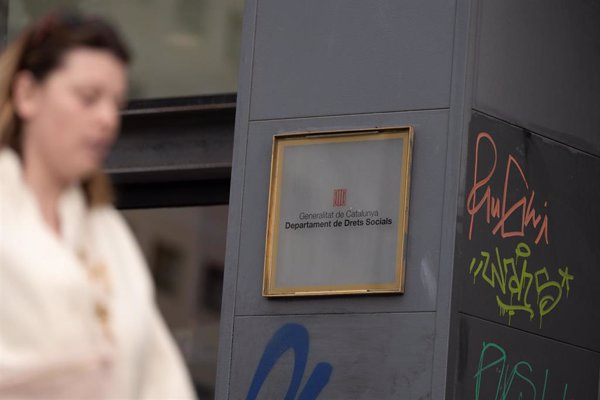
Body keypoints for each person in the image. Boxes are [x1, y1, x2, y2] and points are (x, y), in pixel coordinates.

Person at [0, 11, 196, 399]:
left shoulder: (109, 235)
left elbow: (160, 380)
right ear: (27, 94)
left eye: (115, 103)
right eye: (88, 98)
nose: (107, 119)